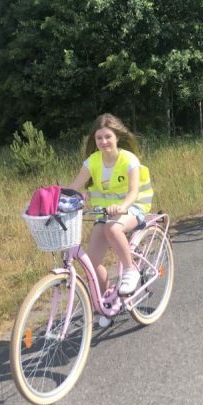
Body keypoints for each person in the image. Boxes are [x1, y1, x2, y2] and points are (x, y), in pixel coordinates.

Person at [68, 113, 153, 296]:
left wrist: (123, 207)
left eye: (108, 136)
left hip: (133, 207)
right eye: (99, 138)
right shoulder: (92, 161)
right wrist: (55, 200)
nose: (103, 141)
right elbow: (74, 186)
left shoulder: (129, 159)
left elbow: (133, 191)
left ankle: (130, 270)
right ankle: (106, 300)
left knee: (112, 229)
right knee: (92, 262)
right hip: (105, 213)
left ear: (117, 137)